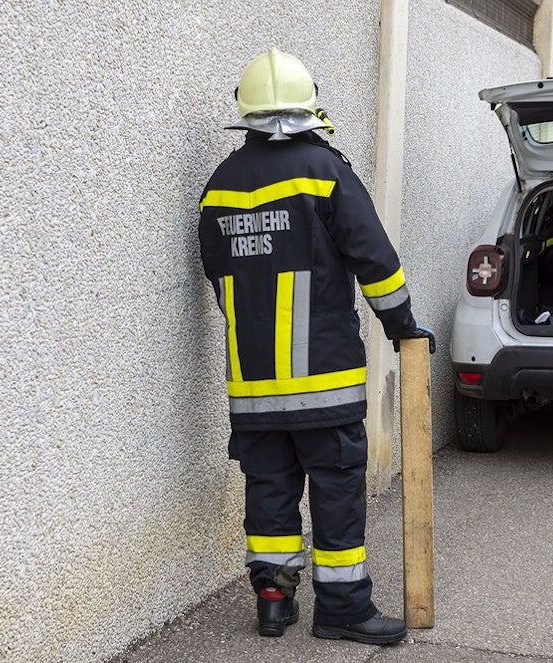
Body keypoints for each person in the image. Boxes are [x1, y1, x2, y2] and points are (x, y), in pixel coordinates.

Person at [198, 48, 434, 644]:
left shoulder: (220, 185)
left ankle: (273, 603)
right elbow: (374, 260)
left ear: (245, 113)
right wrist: (402, 325)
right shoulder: (325, 171)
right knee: (335, 490)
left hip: (253, 386)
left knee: (269, 488)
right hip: (323, 382)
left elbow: (215, 271)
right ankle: (344, 609)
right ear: (309, 108)